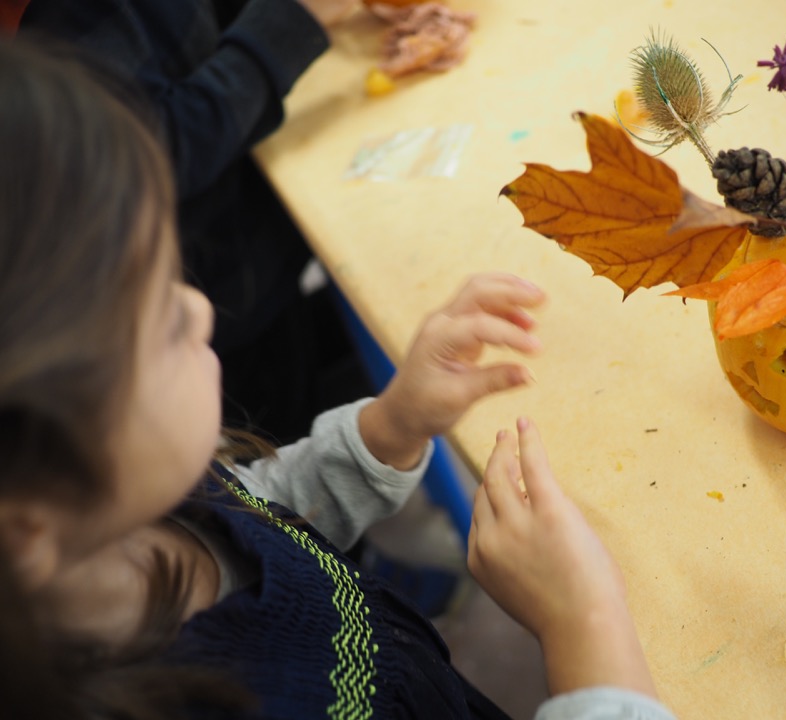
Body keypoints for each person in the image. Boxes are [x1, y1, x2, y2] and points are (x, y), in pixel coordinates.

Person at [0, 37, 675, 720]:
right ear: (25, 528)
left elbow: (261, 511)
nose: (200, 308)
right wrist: (588, 628)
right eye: (159, 323)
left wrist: (390, 428)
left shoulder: (137, 508)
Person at [18, 0, 369, 443]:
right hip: (222, 298)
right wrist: (290, 21)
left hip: (255, 248)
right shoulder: (58, 31)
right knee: (267, 473)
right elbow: (140, 158)